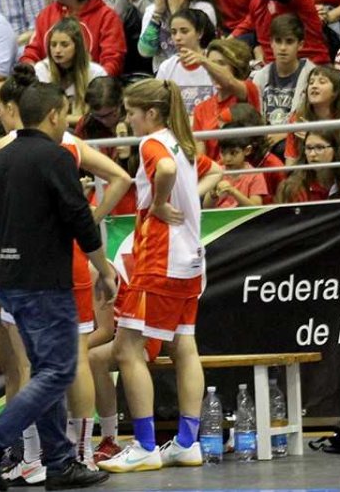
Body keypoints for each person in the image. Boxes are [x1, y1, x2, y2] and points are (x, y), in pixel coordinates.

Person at [0, 77, 112, 490]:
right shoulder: (56, 157)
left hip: (10, 281)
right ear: (53, 115)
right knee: (59, 369)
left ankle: (60, 461)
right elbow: (79, 218)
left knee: (44, 370)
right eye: (65, 114)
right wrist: (103, 267)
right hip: (46, 281)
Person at [98, 79, 221, 475]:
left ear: (150, 113)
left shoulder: (153, 145)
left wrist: (163, 203)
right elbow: (216, 171)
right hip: (191, 260)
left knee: (126, 350)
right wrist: (184, 204)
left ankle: (146, 446)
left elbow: (164, 171)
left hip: (159, 261)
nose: (127, 119)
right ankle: (187, 442)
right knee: (184, 346)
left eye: (131, 112)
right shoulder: (182, 143)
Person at [21, 0, 126, 77]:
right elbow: (32, 52)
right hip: (48, 89)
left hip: (91, 88)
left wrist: (94, 86)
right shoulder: (47, 14)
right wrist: (27, 70)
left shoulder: (107, 17)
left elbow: (112, 62)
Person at [138, 0, 219, 71]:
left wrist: (176, 12)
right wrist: (157, 14)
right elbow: (146, 52)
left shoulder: (203, 9)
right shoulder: (152, 10)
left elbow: (202, 47)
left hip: (197, 68)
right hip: (164, 74)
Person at [191, 38, 261, 160]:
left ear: (235, 67)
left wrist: (204, 61)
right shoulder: (201, 109)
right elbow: (200, 154)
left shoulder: (249, 90)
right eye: (212, 64)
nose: (213, 71)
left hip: (245, 173)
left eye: (221, 64)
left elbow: (229, 82)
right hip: (214, 173)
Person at [284, 65, 340, 166]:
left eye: (322, 82)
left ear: (335, 92)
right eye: (311, 82)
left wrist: (313, 137)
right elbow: (290, 164)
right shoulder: (297, 118)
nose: (314, 86)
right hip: (306, 175)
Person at [34, 18, 107, 122]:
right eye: (53, 45)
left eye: (64, 45)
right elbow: (42, 117)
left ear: (77, 46)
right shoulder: (42, 70)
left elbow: (100, 116)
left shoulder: (96, 72)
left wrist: (64, 119)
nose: (57, 50)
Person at [252, 13, 316, 129]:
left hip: (297, 137)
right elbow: (256, 120)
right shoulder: (260, 77)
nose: (282, 48)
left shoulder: (311, 74)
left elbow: (311, 119)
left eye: (289, 41)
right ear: (271, 43)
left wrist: (283, 135)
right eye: (278, 41)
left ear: (300, 45)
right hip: (266, 139)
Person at [152, 9, 218, 113]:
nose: (177, 38)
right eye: (173, 32)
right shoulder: (166, 67)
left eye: (184, 31)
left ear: (199, 33)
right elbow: (158, 104)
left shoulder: (214, 63)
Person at [277, 130, 340, 202]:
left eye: (319, 148)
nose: (312, 154)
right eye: (308, 148)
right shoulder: (294, 186)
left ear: (334, 150)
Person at [204, 129, 267, 208]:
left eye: (233, 153)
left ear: (247, 150)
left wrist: (233, 191)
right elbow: (206, 207)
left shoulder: (255, 175)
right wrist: (213, 193)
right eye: (223, 153)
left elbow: (256, 207)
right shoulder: (217, 172)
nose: (227, 159)